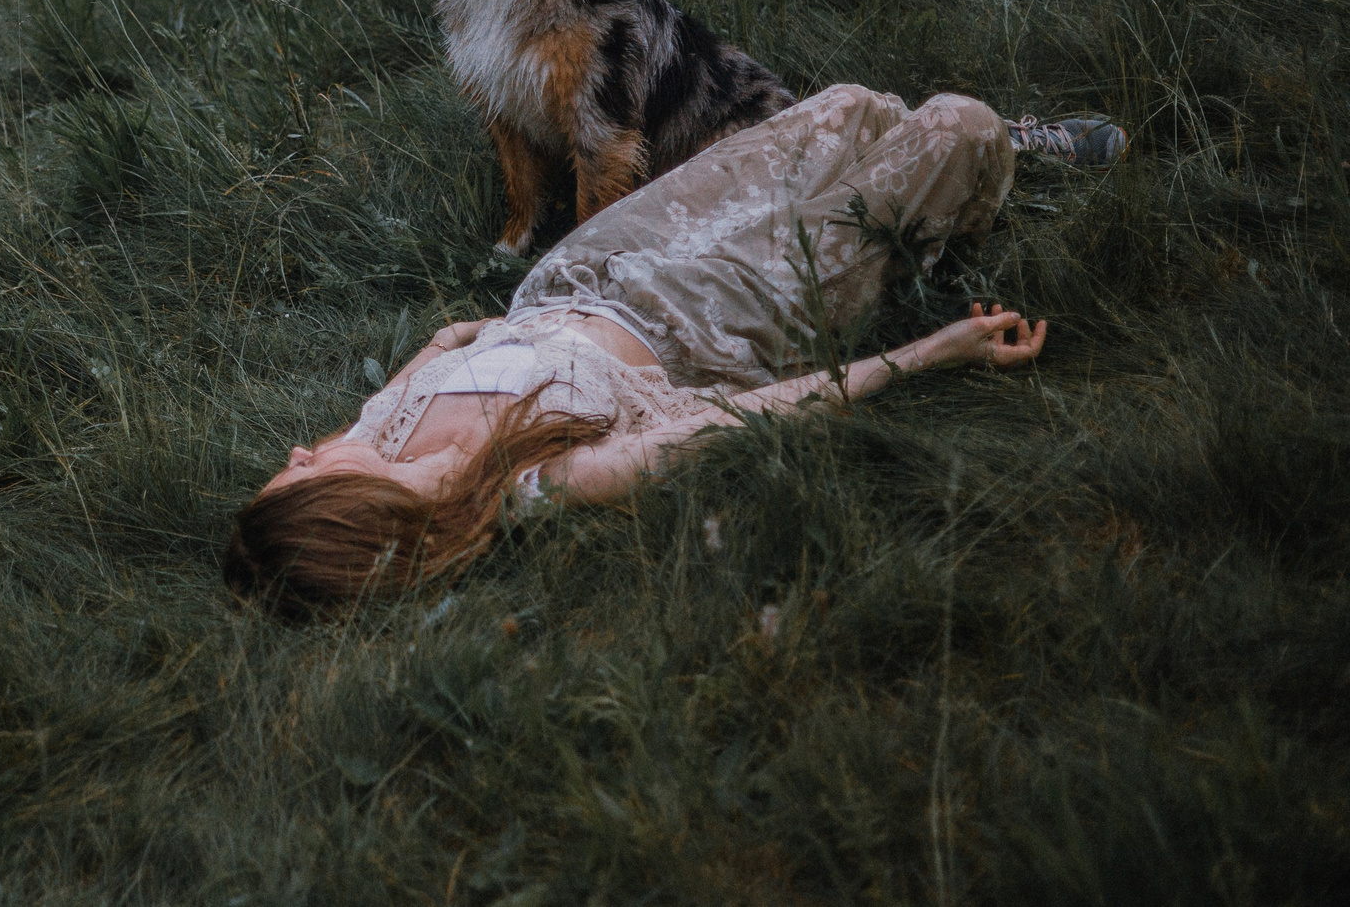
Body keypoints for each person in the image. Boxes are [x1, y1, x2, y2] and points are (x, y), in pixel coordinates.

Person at [223, 86, 1124, 617]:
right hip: (727, 319)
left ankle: (933, 183)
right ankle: (996, 159)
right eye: (298, 474)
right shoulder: (532, 487)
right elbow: (753, 415)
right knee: (955, 125)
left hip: (595, 270)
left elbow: (442, 343)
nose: (300, 450)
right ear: (347, 509)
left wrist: (468, 344)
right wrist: (931, 353)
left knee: (854, 108)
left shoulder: (376, 438)